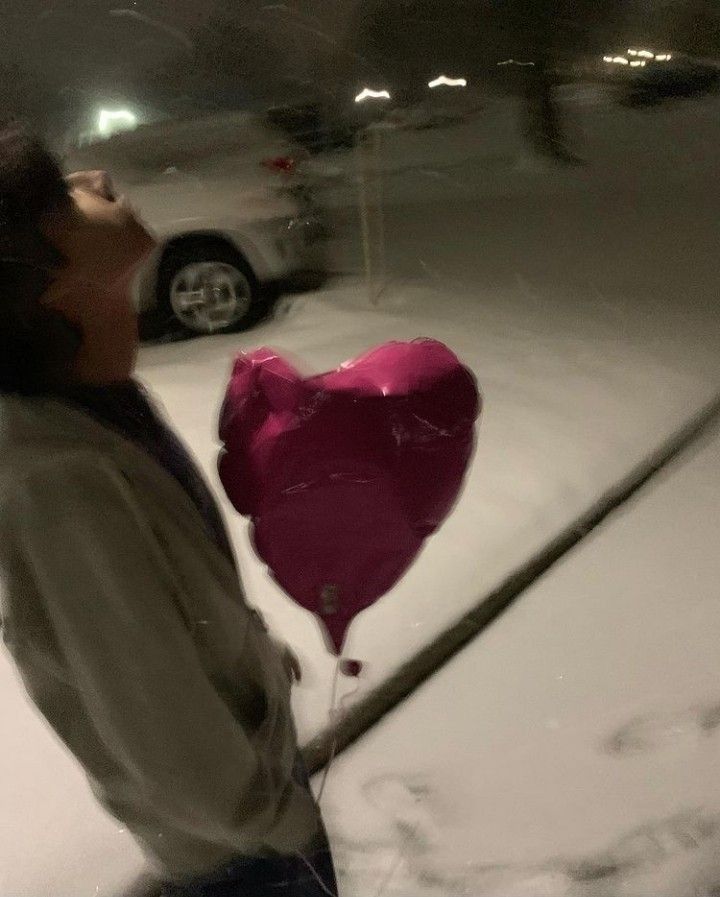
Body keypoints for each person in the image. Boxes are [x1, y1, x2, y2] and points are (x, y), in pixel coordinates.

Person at [0, 124, 337, 897]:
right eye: (63, 196)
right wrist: (273, 817)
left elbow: (165, 606)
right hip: (236, 853)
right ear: (37, 283)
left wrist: (246, 657)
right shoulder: (56, 481)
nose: (94, 179)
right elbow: (142, 699)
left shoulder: (90, 393)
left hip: (249, 810)